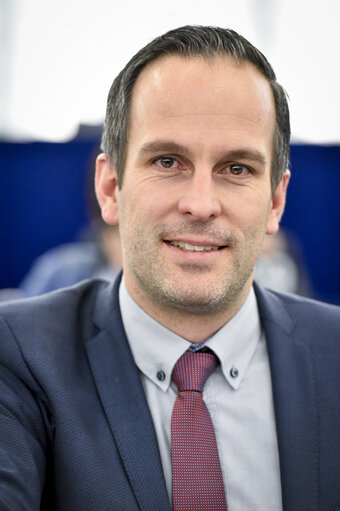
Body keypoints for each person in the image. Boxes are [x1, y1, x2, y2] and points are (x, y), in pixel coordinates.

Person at [0, 26, 339, 511]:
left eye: (237, 168)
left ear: (276, 201)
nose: (201, 205)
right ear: (110, 188)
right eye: (167, 161)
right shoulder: (18, 356)